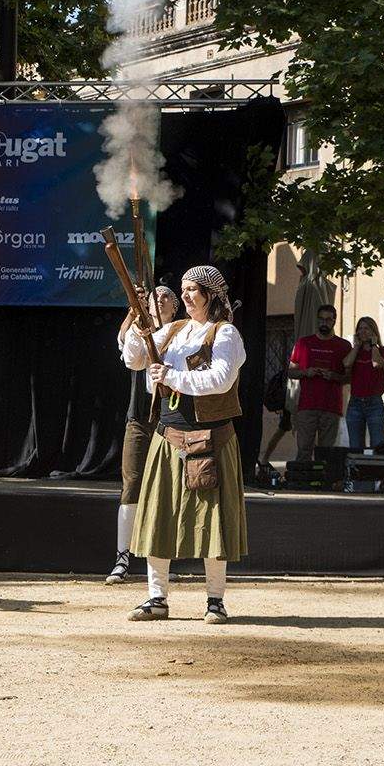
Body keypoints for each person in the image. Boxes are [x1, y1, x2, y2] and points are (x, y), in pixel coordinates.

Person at [121, 265, 247, 624]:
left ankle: (215, 601)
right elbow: (134, 358)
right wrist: (139, 326)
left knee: (213, 524)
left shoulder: (226, 334)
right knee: (157, 519)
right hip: (168, 437)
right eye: (183, 289)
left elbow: (221, 380)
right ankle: (156, 598)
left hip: (211, 439)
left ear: (211, 295)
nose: (187, 295)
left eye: (193, 289)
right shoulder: (174, 330)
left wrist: (172, 377)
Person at [107, 285, 180, 584]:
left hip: (173, 420)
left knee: (169, 490)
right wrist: (134, 311)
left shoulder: (183, 333)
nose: (159, 301)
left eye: (166, 298)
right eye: (154, 297)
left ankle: (165, 560)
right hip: (139, 418)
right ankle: (122, 558)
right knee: (132, 485)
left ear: (175, 307)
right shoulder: (139, 327)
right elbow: (124, 345)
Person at [288, 305, 351, 461]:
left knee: (326, 453)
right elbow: (290, 372)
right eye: (321, 319)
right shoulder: (303, 343)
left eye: (328, 319)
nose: (324, 323)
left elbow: (349, 377)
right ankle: (303, 483)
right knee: (303, 450)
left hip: (331, 407)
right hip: (306, 406)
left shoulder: (343, 346)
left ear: (334, 321)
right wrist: (305, 372)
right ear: (317, 320)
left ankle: (324, 484)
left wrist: (334, 376)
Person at [342, 315, 384, 450]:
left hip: (374, 403)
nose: (363, 331)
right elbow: (346, 363)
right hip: (355, 403)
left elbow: (376, 363)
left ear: (373, 331)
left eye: (367, 328)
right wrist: (357, 346)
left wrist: (374, 345)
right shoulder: (354, 352)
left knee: (378, 446)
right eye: (360, 328)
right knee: (355, 447)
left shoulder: (383, 351)